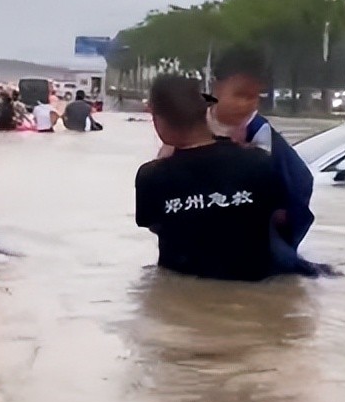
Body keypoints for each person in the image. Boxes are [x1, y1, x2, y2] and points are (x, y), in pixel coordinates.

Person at [155, 46, 322, 276]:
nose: (246, 104)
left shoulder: (257, 130)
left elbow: (268, 179)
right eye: (239, 95)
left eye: (254, 97)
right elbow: (171, 155)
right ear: (216, 88)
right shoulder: (197, 119)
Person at [136, 75, 286, 281]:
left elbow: (155, 224)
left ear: (157, 118)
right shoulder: (259, 162)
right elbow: (280, 217)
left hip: (180, 299)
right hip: (253, 291)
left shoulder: (151, 176)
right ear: (204, 113)